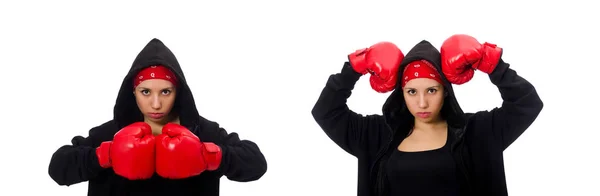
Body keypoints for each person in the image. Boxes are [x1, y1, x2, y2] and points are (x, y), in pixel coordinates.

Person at [311, 34, 543, 196]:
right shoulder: (375, 134)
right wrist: (354, 68)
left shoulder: (479, 132)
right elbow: (326, 111)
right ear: (401, 93)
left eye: (432, 90)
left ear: (445, 91)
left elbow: (526, 103)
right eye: (412, 91)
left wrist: (491, 63)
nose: (422, 102)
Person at [48, 38, 268, 196]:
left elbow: (256, 163)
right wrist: (105, 155)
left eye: (165, 91)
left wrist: (209, 156)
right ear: (133, 91)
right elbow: (58, 168)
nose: (155, 104)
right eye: (145, 92)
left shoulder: (203, 133)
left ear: (178, 91)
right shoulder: (110, 134)